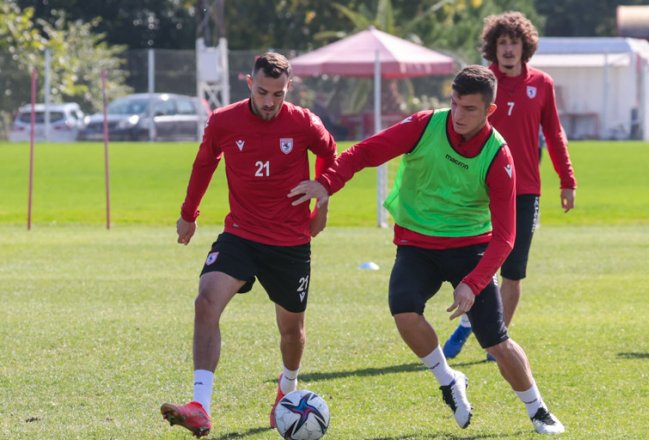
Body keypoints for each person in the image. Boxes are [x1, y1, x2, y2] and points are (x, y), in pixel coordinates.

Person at [289, 65, 565, 434]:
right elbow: (364, 153)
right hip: (417, 244)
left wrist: (473, 282)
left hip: (471, 248)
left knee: (496, 340)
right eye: (454, 104)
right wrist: (328, 182)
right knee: (403, 310)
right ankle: (449, 381)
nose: (458, 115)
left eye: (469, 109)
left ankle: (538, 410)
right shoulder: (424, 125)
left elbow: (504, 238)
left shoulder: (499, 157)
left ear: (489, 111)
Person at [160, 52, 338, 437]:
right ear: (249, 83)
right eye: (262, 92)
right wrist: (188, 213)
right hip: (240, 234)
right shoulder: (224, 121)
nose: (270, 101)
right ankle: (200, 406)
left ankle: (287, 388)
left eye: (278, 93)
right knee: (206, 299)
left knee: (292, 331)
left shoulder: (305, 123)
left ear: (289, 88)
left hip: (290, 242)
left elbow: (330, 155)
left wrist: (322, 197)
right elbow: (204, 163)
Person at [443, 11, 577, 361]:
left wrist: (567, 180)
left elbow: (554, 134)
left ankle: (494, 341)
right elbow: (457, 125)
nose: (507, 48)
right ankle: (472, 324)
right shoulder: (484, 82)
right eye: (501, 42)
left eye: (513, 42)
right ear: (493, 46)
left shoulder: (542, 84)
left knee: (513, 271)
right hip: (480, 187)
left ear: (524, 46)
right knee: (478, 264)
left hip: (525, 190)